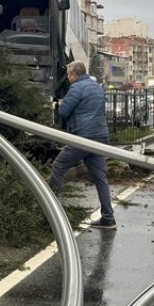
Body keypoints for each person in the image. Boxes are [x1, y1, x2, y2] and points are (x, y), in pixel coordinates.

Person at [49, 61, 117, 229]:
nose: (68, 78)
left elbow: (64, 111)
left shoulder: (77, 88)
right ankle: (108, 217)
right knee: (99, 177)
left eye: (69, 75)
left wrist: (58, 104)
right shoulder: (96, 87)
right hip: (100, 136)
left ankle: (50, 211)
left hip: (83, 137)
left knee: (58, 166)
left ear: (73, 75)